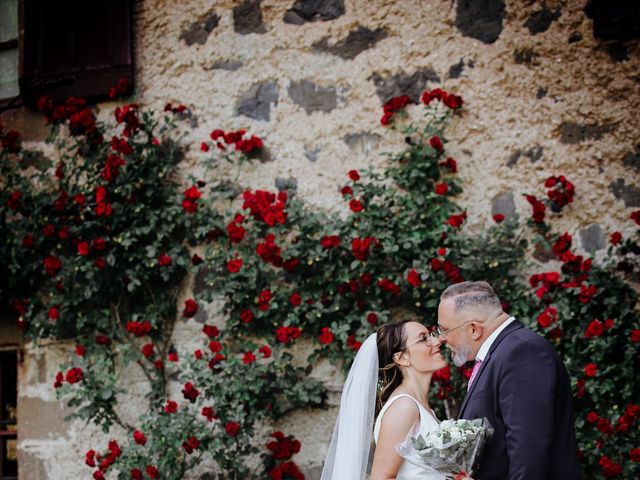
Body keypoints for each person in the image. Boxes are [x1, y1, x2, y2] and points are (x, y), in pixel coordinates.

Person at [437, 280, 581, 480]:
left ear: (473, 329)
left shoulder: (523, 352)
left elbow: (529, 449)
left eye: (444, 329)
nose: (441, 338)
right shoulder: (502, 352)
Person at [321, 319, 448, 480]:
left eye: (431, 335)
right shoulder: (404, 407)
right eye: (423, 339)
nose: (437, 341)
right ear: (401, 358)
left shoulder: (419, 404)